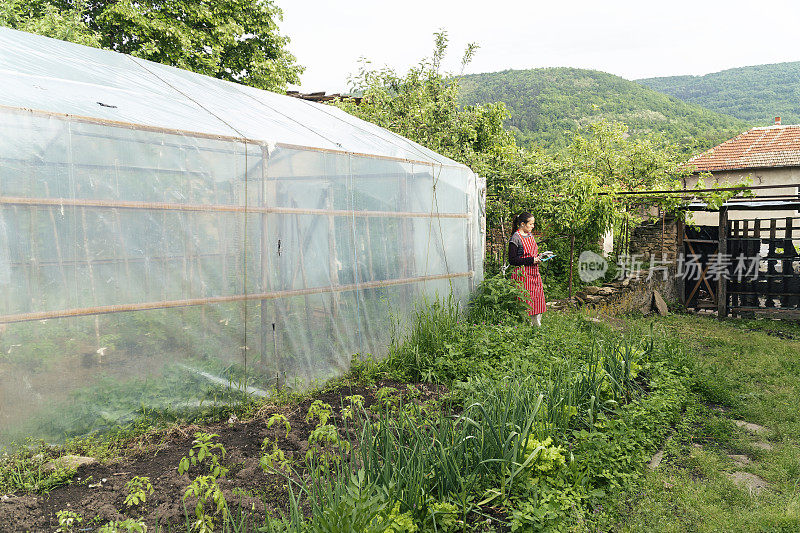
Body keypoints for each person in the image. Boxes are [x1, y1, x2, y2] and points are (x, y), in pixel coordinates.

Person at [508, 212, 546, 326]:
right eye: (531, 224)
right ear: (523, 224)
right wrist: (531, 260)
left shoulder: (530, 236)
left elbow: (532, 253)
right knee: (524, 300)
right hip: (522, 275)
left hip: (534, 273)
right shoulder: (515, 238)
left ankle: (536, 325)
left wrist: (539, 257)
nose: (533, 226)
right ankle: (523, 326)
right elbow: (513, 260)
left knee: (536, 299)